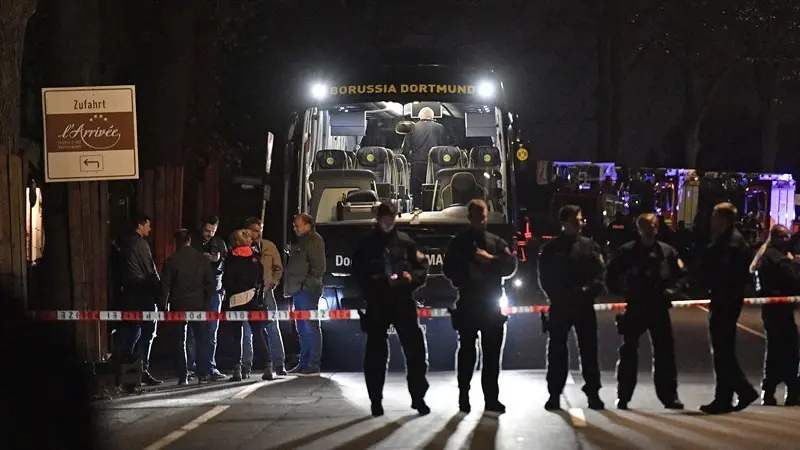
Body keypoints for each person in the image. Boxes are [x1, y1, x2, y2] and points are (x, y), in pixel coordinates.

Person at [352, 202, 431, 417]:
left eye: (391, 218)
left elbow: (422, 266)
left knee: (415, 351)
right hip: (378, 302)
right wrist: (380, 284)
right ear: (378, 218)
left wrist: (411, 278)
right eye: (384, 218)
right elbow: (358, 274)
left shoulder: (406, 243)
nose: (388, 222)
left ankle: (418, 398)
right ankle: (375, 401)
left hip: (403, 301)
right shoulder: (366, 244)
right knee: (376, 355)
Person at [606, 213, 686, 410]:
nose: (650, 230)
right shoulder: (626, 252)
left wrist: (672, 291)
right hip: (636, 307)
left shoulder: (667, 252)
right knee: (628, 352)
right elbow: (611, 276)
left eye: (652, 226)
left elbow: (681, 276)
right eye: (646, 226)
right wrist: (623, 292)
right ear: (639, 229)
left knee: (665, 354)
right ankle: (623, 395)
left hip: (659, 307)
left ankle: (669, 396)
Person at [443, 199, 516, 414]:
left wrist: (490, 261)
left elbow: (511, 266)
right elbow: (448, 269)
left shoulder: (496, 242)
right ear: (470, 217)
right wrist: (467, 271)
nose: (481, 221)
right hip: (468, 302)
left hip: (491, 303)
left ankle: (491, 399)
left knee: (492, 355)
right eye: (477, 217)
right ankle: (463, 395)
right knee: (467, 353)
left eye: (483, 217)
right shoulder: (459, 243)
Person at [538, 205, 605, 410]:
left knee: (589, 351)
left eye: (581, 220)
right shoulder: (551, 249)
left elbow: (600, 275)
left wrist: (587, 291)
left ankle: (593, 393)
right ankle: (554, 394)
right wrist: (558, 297)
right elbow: (545, 278)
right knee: (557, 351)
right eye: (576, 221)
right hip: (560, 306)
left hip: (584, 304)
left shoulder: (590, 246)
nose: (580, 224)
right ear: (565, 223)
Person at [698, 202, 759, 414]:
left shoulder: (730, 245)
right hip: (726, 299)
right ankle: (726, 396)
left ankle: (740, 391)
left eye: (715, 216)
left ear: (722, 219)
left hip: (725, 300)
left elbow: (723, 275)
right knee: (723, 351)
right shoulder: (730, 241)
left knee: (722, 351)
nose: (711, 220)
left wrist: (706, 282)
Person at [749, 225, 800, 406]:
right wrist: (794, 262)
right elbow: (792, 277)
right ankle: (787, 390)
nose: (787, 240)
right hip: (777, 309)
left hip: (775, 309)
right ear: (776, 238)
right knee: (788, 350)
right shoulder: (774, 257)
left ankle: (773, 390)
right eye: (784, 237)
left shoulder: (766, 256)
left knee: (777, 350)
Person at [159, 229, 216, 384]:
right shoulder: (202, 260)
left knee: (179, 341)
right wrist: (206, 301)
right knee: (201, 340)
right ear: (190, 241)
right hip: (198, 305)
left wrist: (163, 306)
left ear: (177, 242)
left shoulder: (172, 260)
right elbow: (211, 284)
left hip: (178, 306)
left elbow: (165, 286)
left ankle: (183, 375)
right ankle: (203, 373)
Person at [114, 213, 162, 385]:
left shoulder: (123, 244)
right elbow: (150, 270)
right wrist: (160, 295)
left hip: (127, 293)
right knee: (148, 332)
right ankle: (141, 369)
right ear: (140, 226)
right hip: (142, 293)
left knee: (130, 332)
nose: (149, 228)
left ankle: (124, 370)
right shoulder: (140, 244)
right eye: (148, 225)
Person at [223, 229, 276, 382]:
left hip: (236, 300)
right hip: (253, 299)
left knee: (236, 336)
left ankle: (237, 370)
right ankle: (268, 367)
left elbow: (227, 280)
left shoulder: (231, 259)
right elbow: (260, 279)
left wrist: (232, 293)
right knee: (258, 333)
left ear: (236, 243)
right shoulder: (255, 258)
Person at [243, 217, 287, 378]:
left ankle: (279, 364)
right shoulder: (243, 247)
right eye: (254, 229)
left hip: (267, 292)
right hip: (248, 295)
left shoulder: (269, 246)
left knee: (273, 327)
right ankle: (245, 365)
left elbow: (278, 268)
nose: (258, 232)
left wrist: (273, 283)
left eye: (260, 229)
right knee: (246, 330)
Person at [186, 216, 228, 381]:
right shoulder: (193, 242)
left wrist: (217, 261)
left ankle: (210, 367)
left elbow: (227, 265)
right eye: (206, 230)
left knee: (211, 332)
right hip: (195, 292)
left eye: (212, 231)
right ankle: (191, 367)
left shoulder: (219, 243)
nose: (209, 234)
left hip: (214, 293)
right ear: (201, 228)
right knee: (192, 332)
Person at [285, 212, 326, 376]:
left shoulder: (315, 240)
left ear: (308, 225)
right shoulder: (302, 241)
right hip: (298, 290)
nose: (295, 228)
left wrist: (305, 285)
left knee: (310, 326)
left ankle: (313, 363)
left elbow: (318, 268)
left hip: (307, 291)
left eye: (297, 225)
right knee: (302, 327)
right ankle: (304, 362)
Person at [401, 106, 448, 208]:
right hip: (435, 164)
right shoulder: (439, 127)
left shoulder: (412, 127)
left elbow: (405, 149)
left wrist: (407, 162)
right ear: (432, 117)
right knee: (433, 188)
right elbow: (444, 147)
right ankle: (433, 208)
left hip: (417, 163)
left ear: (419, 116)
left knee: (417, 191)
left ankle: (417, 209)